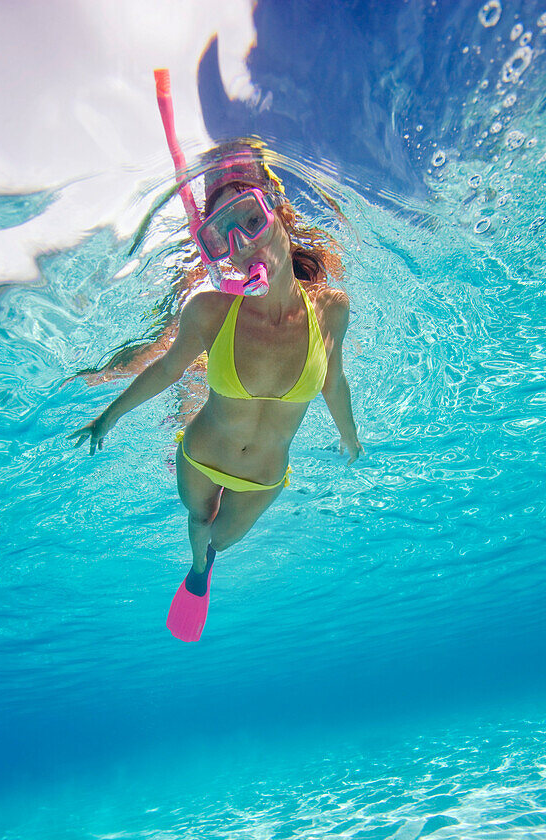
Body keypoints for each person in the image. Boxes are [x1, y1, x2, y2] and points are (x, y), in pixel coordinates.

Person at [69, 148, 362, 641]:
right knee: (200, 519)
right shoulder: (210, 310)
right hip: (201, 454)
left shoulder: (330, 310)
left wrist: (350, 436)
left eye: (250, 218)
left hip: (264, 476)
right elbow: (165, 369)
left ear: (278, 213)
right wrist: (109, 416)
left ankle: (205, 564)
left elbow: (334, 381)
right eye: (222, 236)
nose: (242, 243)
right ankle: (196, 569)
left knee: (220, 540)